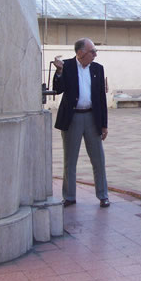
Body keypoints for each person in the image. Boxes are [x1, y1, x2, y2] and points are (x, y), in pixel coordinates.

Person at [52, 38, 110, 208]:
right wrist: (59, 72)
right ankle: (69, 196)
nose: (95, 55)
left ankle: (103, 195)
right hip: (73, 118)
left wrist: (104, 124)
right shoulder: (67, 66)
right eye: (92, 51)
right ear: (80, 53)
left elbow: (101, 98)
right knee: (70, 160)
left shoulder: (97, 68)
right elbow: (58, 89)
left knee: (98, 159)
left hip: (92, 117)